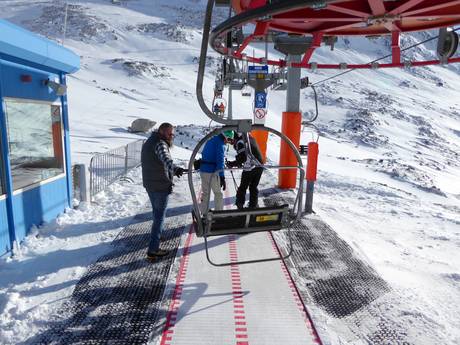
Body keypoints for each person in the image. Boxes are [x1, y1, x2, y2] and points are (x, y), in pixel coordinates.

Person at [141, 122, 185, 261]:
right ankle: (153, 250)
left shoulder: (150, 141)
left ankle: (157, 235)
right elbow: (166, 159)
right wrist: (176, 169)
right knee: (159, 217)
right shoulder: (160, 144)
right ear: (161, 132)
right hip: (159, 186)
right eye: (169, 133)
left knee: (156, 213)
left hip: (150, 183)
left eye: (172, 133)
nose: (171, 136)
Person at [199, 130, 234, 214]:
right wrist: (222, 177)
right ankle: (219, 214)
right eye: (229, 140)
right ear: (226, 137)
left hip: (203, 170)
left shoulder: (211, 140)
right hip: (212, 173)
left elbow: (204, 153)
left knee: (205, 193)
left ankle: (204, 212)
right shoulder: (220, 144)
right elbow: (220, 161)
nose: (228, 142)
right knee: (218, 194)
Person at [226, 132, 264, 209]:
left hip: (250, 167)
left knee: (242, 188)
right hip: (259, 165)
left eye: (231, 141)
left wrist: (232, 164)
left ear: (235, 138)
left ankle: (240, 206)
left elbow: (242, 158)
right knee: (253, 187)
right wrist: (237, 162)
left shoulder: (240, 142)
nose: (231, 143)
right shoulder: (250, 139)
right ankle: (253, 206)